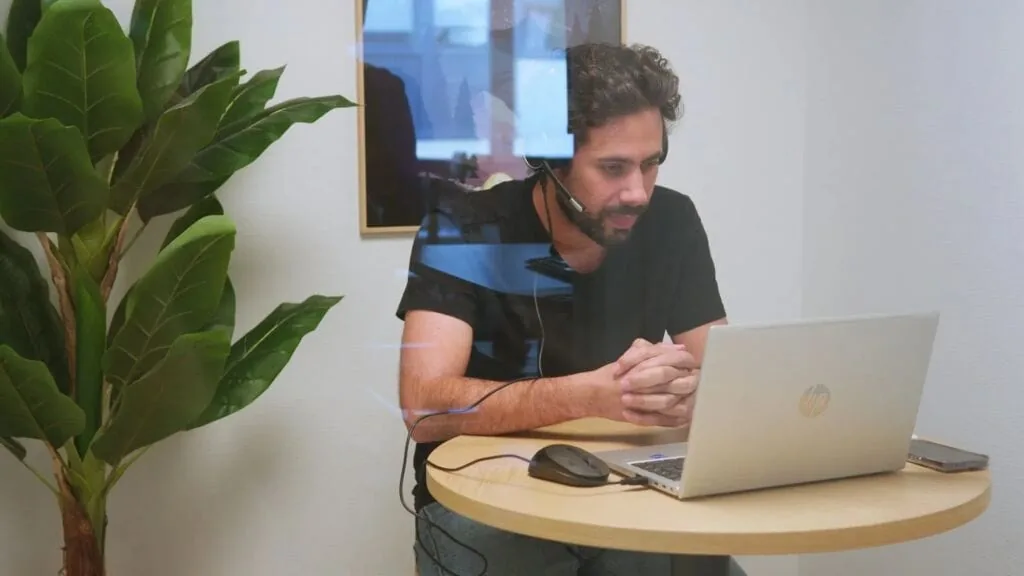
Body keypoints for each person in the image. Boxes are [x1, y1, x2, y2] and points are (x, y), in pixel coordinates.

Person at [396, 42, 741, 576]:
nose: (638, 193)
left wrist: (681, 387)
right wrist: (592, 396)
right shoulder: (462, 226)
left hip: (628, 493)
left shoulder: (673, 220)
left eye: (651, 165)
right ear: (550, 160)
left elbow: (725, 378)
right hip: (491, 505)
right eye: (612, 168)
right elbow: (424, 408)